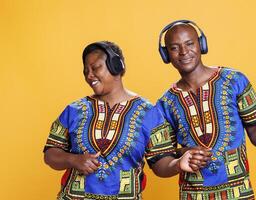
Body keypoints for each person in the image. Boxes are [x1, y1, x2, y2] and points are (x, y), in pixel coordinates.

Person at [152, 20, 256, 200]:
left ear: (201, 44)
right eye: (174, 48)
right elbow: (160, 161)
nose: (184, 52)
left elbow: (255, 129)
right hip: (193, 195)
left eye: (189, 43)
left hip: (239, 193)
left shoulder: (234, 80)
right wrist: (178, 163)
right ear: (166, 55)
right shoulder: (165, 104)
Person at [43, 41, 194, 199]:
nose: (89, 75)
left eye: (95, 68)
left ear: (116, 65)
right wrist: (73, 159)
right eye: (86, 70)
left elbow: (160, 161)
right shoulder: (74, 110)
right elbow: (50, 154)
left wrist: (177, 164)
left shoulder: (148, 112)